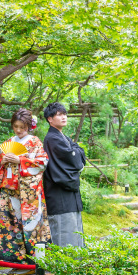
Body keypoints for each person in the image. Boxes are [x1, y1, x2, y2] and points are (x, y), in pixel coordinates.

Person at [0, 108, 51, 273]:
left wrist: (20, 159)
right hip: (8, 189)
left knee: (29, 225)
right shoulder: (9, 141)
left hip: (27, 194)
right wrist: (2, 160)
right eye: (16, 126)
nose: (19, 130)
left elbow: (42, 163)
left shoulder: (34, 142)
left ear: (29, 126)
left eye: (22, 127)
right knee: (8, 224)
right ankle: (11, 259)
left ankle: (34, 261)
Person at [42, 102, 86, 247]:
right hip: (59, 194)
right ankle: (65, 268)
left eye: (64, 114)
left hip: (69, 195)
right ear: (50, 119)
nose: (64, 117)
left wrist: (76, 152)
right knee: (65, 233)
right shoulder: (52, 139)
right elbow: (74, 157)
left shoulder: (62, 136)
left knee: (75, 232)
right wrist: (77, 153)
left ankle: (76, 266)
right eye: (59, 114)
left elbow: (77, 152)